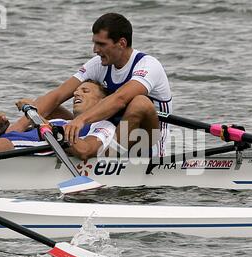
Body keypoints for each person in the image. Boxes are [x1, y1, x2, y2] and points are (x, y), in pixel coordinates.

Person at [11, 12, 172, 157]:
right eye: (94, 43)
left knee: (140, 103)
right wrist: (14, 129)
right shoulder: (100, 63)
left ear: (122, 43)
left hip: (147, 142)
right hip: (108, 131)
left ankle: (109, 159)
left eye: (101, 44)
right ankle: (14, 139)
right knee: (48, 105)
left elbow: (120, 99)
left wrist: (81, 120)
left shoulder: (148, 65)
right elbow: (59, 94)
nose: (95, 49)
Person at [0, 81, 115, 161]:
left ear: (102, 102)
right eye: (76, 91)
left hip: (23, 147)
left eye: (85, 91)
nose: (77, 94)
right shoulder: (63, 120)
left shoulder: (103, 125)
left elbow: (85, 151)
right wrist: (1, 129)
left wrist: (39, 117)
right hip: (11, 141)